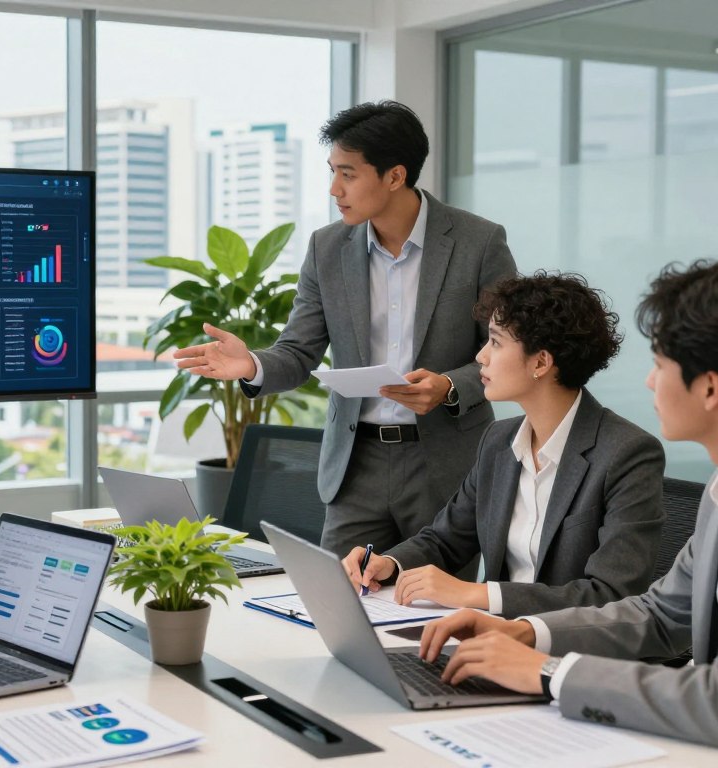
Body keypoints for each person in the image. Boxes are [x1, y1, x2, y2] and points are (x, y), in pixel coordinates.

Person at [415, 259, 718, 767]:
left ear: (710, 388)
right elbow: (661, 615)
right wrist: (528, 633)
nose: (648, 383)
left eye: (660, 365)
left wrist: (548, 673)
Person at [174, 100, 517, 556]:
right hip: (356, 466)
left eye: (348, 174)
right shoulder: (326, 248)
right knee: (336, 604)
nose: (335, 189)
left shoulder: (479, 242)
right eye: (332, 171)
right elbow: (298, 352)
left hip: (444, 466)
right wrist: (251, 364)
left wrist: (450, 386)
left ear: (395, 176)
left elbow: (510, 347)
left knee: (433, 616)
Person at [342, 273, 665, 617]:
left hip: (572, 653)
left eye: (495, 342)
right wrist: (388, 563)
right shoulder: (499, 440)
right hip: (494, 638)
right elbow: (446, 538)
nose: (481, 356)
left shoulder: (627, 454)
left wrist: (478, 595)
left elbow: (611, 595)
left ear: (540, 362)